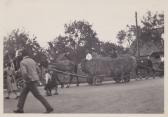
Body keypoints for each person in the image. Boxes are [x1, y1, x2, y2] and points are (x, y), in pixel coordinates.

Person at [14, 49, 53, 113]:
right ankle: (20, 108)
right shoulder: (33, 61)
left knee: (37, 95)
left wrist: (27, 78)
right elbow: (38, 70)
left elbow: (24, 73)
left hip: (29, 81)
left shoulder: (22, 62)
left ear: (23, 55)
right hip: (33, 80)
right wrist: (36, 77)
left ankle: (49, 108)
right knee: (23, 94)